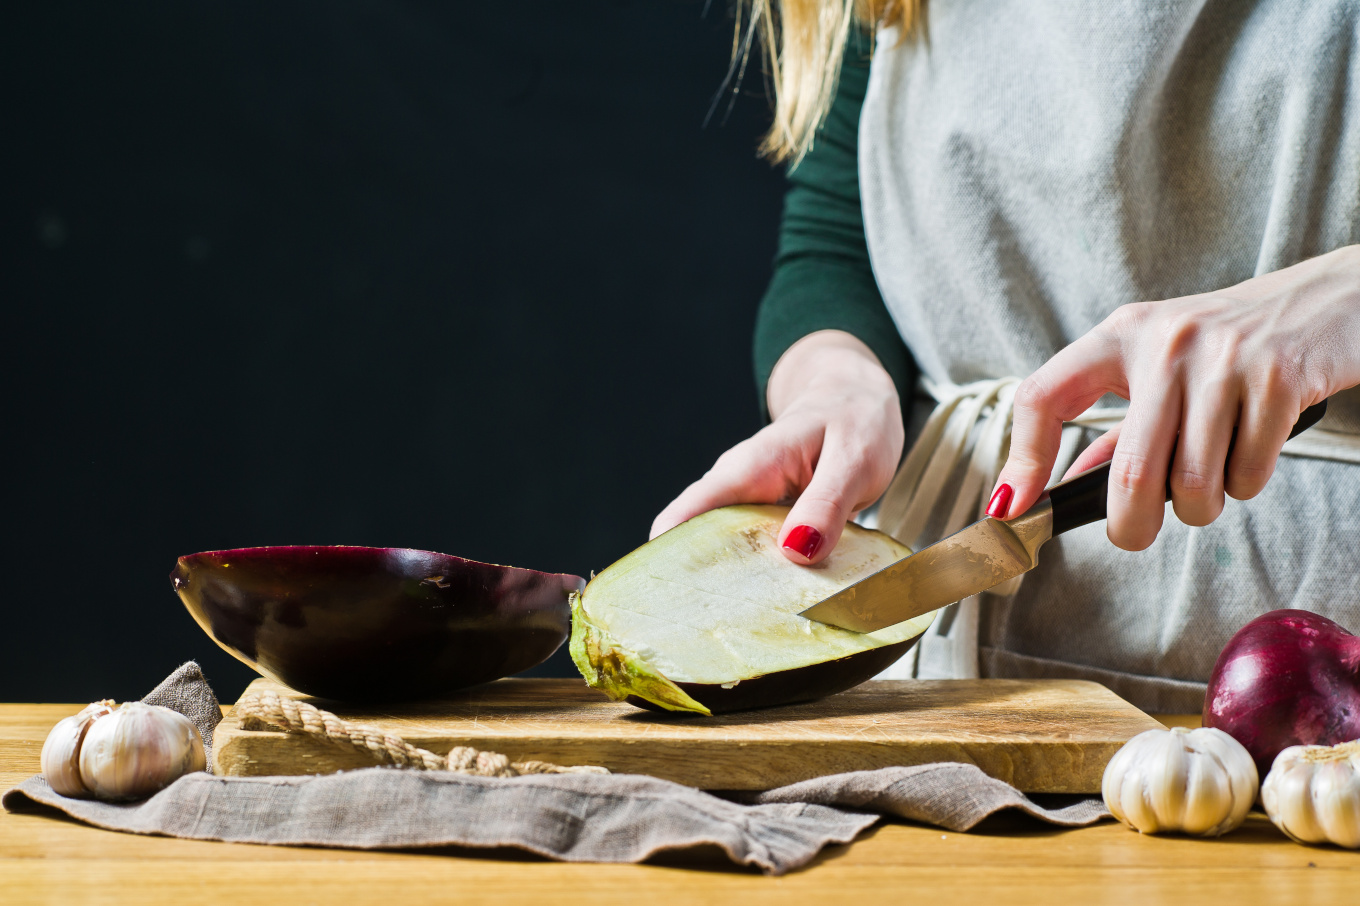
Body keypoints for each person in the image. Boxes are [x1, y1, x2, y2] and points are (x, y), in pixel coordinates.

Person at [652, 0, 1360, 713]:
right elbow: (837, 236)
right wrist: (838, 381)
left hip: (1309, 676)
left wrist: (1338, 298)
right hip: (935, 670)